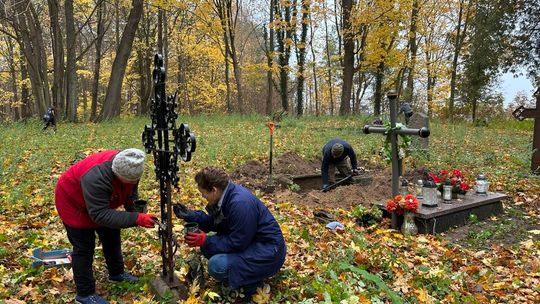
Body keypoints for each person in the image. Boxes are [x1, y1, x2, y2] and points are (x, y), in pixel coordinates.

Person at [55, 148, 157, 304]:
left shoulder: (131, 163)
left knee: (111, 234)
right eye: (127, 180)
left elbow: (130, 190)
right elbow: (99, 215)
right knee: (84, 247)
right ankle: (85, 294)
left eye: (134, 180)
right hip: (73, 202)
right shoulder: (96, 177)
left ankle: (116, 273)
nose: (132, 183)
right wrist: (136, 218)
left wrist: (134, 208)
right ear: (116, 173)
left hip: (102, 202)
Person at [173, 167, 286, 300]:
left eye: (203, 193)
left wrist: (206, 240)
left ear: (214, 190)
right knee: (208, 248)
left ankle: (253, 286)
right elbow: (217, 222)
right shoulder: (226, 195)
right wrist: (192, 216)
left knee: (216, 265)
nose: (203, 197)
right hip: (253, 244)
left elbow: (238, 243)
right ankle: (242, 276)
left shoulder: (240, 203)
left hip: (268, 253)